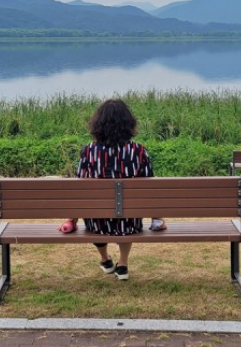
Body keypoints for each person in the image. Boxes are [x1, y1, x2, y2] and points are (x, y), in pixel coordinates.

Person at [57, 98, 165, 280]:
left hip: (97, 222)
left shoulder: (88, 151)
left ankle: (105, 259)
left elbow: (80, 189)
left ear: (98, 124)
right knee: (126, 217)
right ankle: (123, 264)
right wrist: (157, 218)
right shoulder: (139, 151)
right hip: (129, 222)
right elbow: (148, 189)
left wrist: (71, 219)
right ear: (128, 124)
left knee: (95, 212)